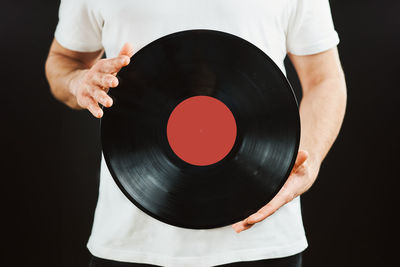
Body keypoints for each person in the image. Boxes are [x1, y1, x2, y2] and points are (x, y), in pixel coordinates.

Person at [45, 0, 347, 266]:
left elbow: (324, 78)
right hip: (129, 244)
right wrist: (78, 82)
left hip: (264, 242)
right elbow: (62, 62)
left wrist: (311, 160)